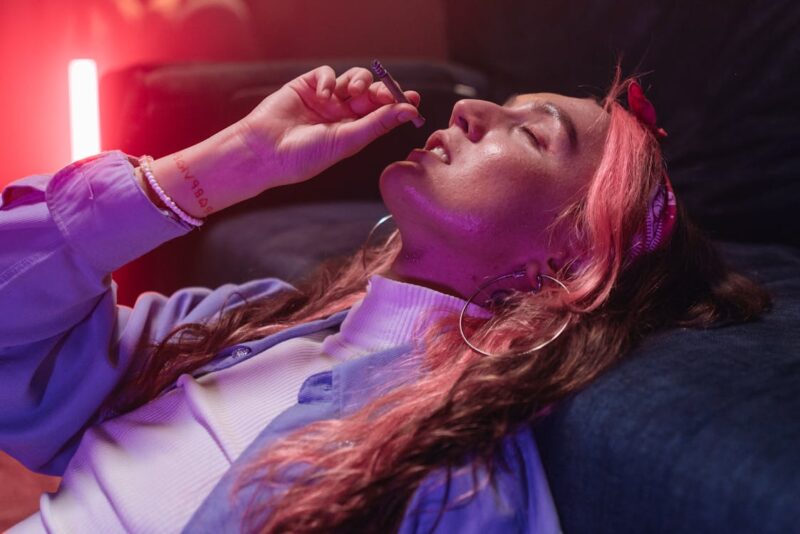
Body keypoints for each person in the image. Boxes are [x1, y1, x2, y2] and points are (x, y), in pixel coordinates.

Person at [1, 65, 769, 533]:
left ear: (571, 260)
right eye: (504, 103)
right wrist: (223, 168)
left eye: (532, 134)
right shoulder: (256, 322)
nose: (470, 111)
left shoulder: (437, 480)